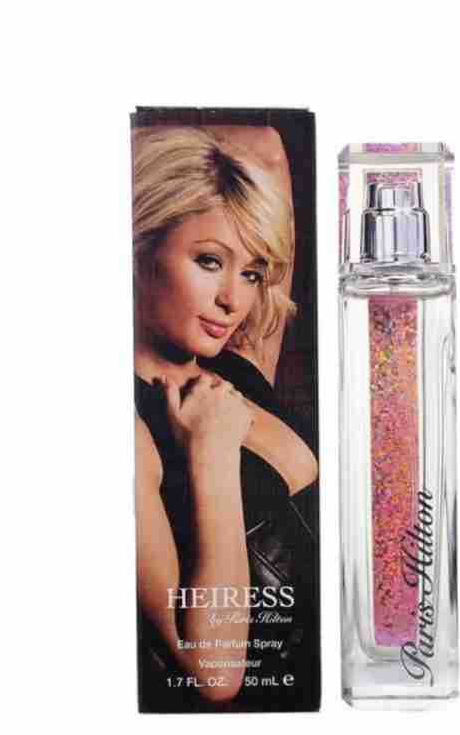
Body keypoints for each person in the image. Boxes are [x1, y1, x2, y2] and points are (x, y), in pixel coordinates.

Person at [132, 126, 318, 711]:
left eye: (252, 273)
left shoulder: (239, 361)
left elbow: (265, 145)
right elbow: (214, 675)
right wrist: (210, 455)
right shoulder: (126, 435)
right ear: (138, 250)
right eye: (209, 261)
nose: (233, 301)